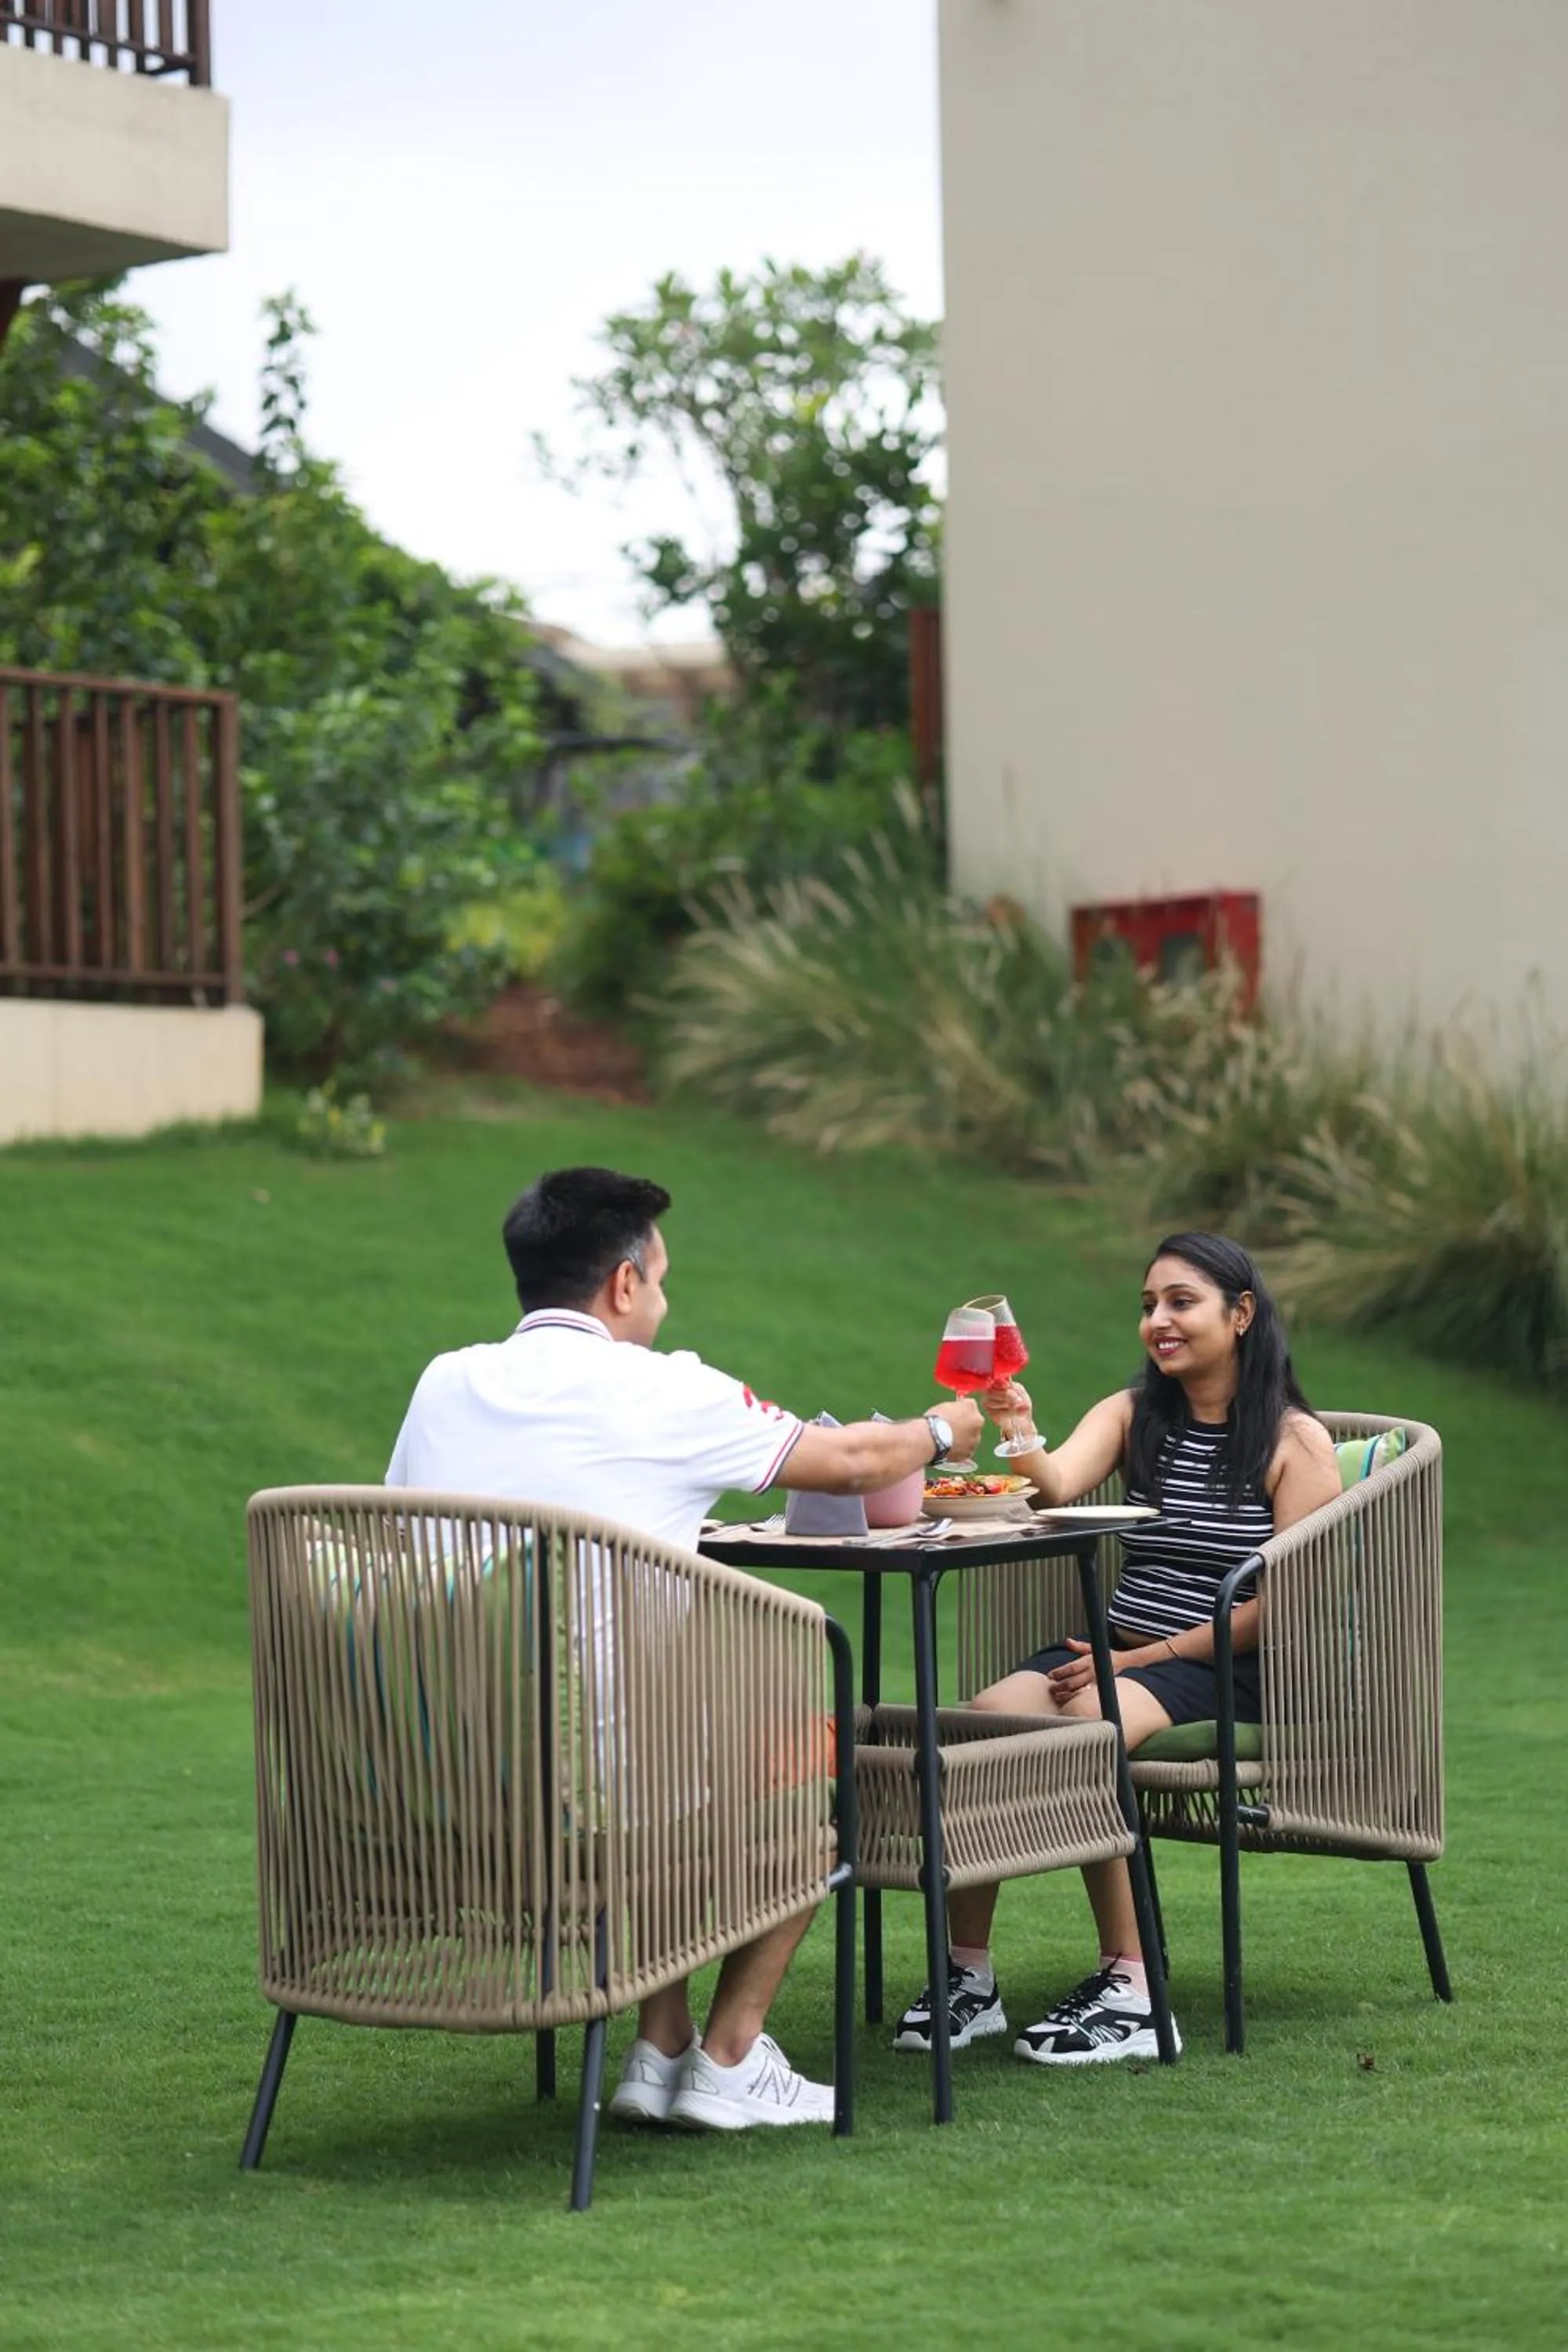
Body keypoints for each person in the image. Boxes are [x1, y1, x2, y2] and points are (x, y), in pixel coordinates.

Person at [386, 1164, 982, 2132]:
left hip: (444, 1785)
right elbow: (852, 1462)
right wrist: (942, 1429)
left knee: (651, 1738)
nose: (662, 1300)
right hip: (605, 1793)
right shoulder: (664, 1389)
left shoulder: (443, 1382)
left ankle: (659, 2044)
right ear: (622, 1285)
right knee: (816, 1765)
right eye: (659, 1280)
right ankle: (731, 2053)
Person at [894, 1230, 1340, 2067]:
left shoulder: (1293, 1443)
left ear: (1240, 1314)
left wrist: (1140, 1659)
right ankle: (969, 1975)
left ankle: (1134, 1989)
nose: (1158, 1322)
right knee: (974, 1725)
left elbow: (1280, 1610)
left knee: (1089, 1728)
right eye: (1147, 1306)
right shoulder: (1134, 1412)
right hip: (1115, 1650)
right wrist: (1016, 1424)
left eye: (1180, 1303)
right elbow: (1055, 1486)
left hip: (1225, 1664)